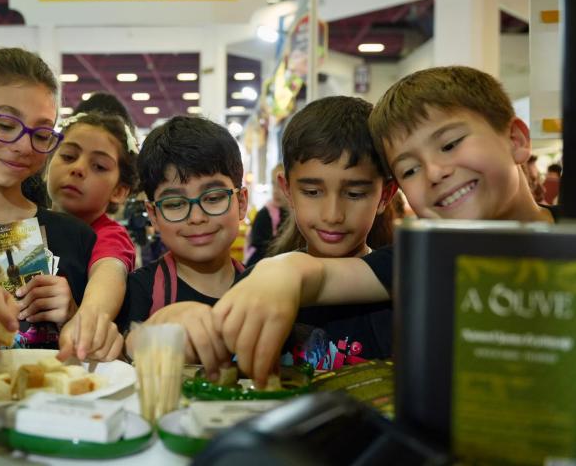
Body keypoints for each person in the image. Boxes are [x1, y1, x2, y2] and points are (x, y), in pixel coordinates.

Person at [212, 66, 558, 386]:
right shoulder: (421, 264)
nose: (435, 172)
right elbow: (325, 275)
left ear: (516, 139)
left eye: (450, 144)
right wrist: (279, 270)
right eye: (410, 169)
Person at [0, 48, 96, 354]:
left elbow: (104, 359)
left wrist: (72, 316)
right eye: (5, 125)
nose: (24, 146)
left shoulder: (76, 237)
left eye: (41, 134)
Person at [117, 116, 248, 379]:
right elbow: (115, 356)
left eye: (213, 198)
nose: (196, 217)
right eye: (175, 204)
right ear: (153, 215)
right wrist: (143, 338)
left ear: (242, 203)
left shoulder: (262, 288)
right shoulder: (135, 292)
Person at [273, 96, 396, 369]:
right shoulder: (260, 286)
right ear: (287, 190)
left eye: (354, 194)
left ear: (385, 195)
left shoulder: (400, 291)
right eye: (312, 192)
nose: (332, 215)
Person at [46, 111, 139, 361]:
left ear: (119, 191)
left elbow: (110, 271)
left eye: (98, 166)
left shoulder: (109, 236)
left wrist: (88, 318)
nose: (78, 169)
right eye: (68, 156)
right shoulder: (26, 222)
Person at [244, 164, 288, 268]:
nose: (276, 191)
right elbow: (260, 250)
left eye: (281, 186)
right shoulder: (264, 215)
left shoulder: (294, 215)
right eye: (273, 184)